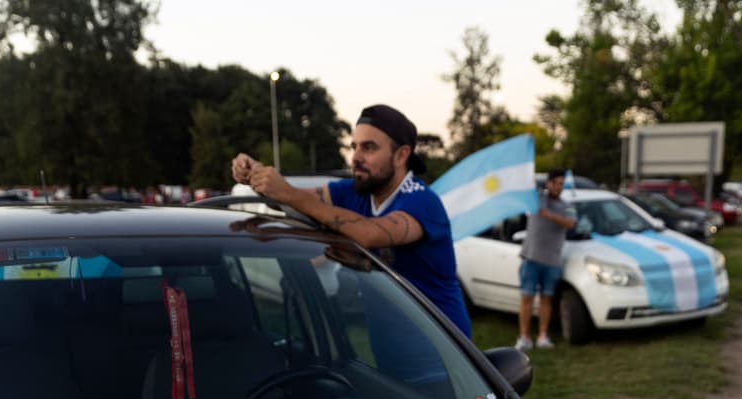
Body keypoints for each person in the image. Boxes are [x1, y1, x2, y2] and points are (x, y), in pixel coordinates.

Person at [231, 104, 471, 337]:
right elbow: (294, 201)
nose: (355, 157)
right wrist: (257, 174)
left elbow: (370, 234)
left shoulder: (421, 201)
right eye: (354, 147)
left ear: (401, 155)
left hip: (444, 356)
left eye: (368, 148)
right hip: (390, 352)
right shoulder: (353, 192)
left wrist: (288, 193)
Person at [517, 168, 577, 350]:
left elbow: (570, 223)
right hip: (531, 258)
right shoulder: (537, 199)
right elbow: (526, 185)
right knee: (526, 298)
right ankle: (524, 337)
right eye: (555, 183)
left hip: (552, 261)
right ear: (548, 183)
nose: (558, 187)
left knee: (546, 299)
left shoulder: (567, 206)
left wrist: (550, 215)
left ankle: (543, 336)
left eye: (561, 184)